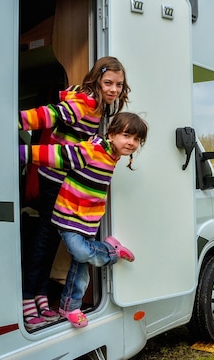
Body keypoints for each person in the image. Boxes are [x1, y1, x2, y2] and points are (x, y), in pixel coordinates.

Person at [19, 56, 131, 330]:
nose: (114, 89)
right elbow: (52, 114)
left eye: (118, 84)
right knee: (45, 239)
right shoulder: (88, 102)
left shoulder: (99, 105)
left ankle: (41, 294)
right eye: (108, 83)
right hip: (53, 177)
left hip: (63, 178)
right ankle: (28, 296)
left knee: (52, 240)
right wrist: (18, 121)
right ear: (97, 79)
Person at [20, 112, 148, 328]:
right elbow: (61, 155)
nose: (132, 143)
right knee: (80, 252)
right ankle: (110, 252)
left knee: (79, 265)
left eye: (136, 139)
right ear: (112, 133)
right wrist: (25, 152)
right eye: (127, 135)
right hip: (68, 213)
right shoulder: (94, 149)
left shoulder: (113, 155)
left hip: (89, 218)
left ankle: (70, 306)